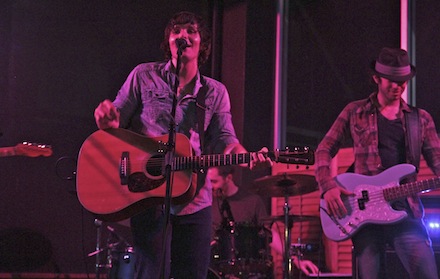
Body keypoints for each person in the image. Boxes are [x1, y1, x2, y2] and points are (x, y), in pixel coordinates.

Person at [93, 11, 271, 279]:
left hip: (194, 199)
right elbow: (114, 122)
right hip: (148, 196)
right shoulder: (143, 76)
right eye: (177, 31)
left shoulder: (214, 92)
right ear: (169, 41)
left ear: (202, 43)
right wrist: (107, 120)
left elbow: (225, 139)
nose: (183, 36)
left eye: (191, 31)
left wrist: (245, 156)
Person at [315, 47, 440, 279]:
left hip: (406, 210)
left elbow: (437, 161)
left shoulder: (420, 119)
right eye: (392, 81)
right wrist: (328, 186)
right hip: (365, 214)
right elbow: (323, 149)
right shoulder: (355, 111)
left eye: (402, 81)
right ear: (376, 79)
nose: (398, 87)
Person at [208, 165, 319, 277]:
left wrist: (294, 258)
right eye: (208, 182)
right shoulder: (208, 203)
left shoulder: (252, 201)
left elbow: (269, 233)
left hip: (245, 269)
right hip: (213, 268)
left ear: (228, 178)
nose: (210, 186)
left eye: (214, 181)